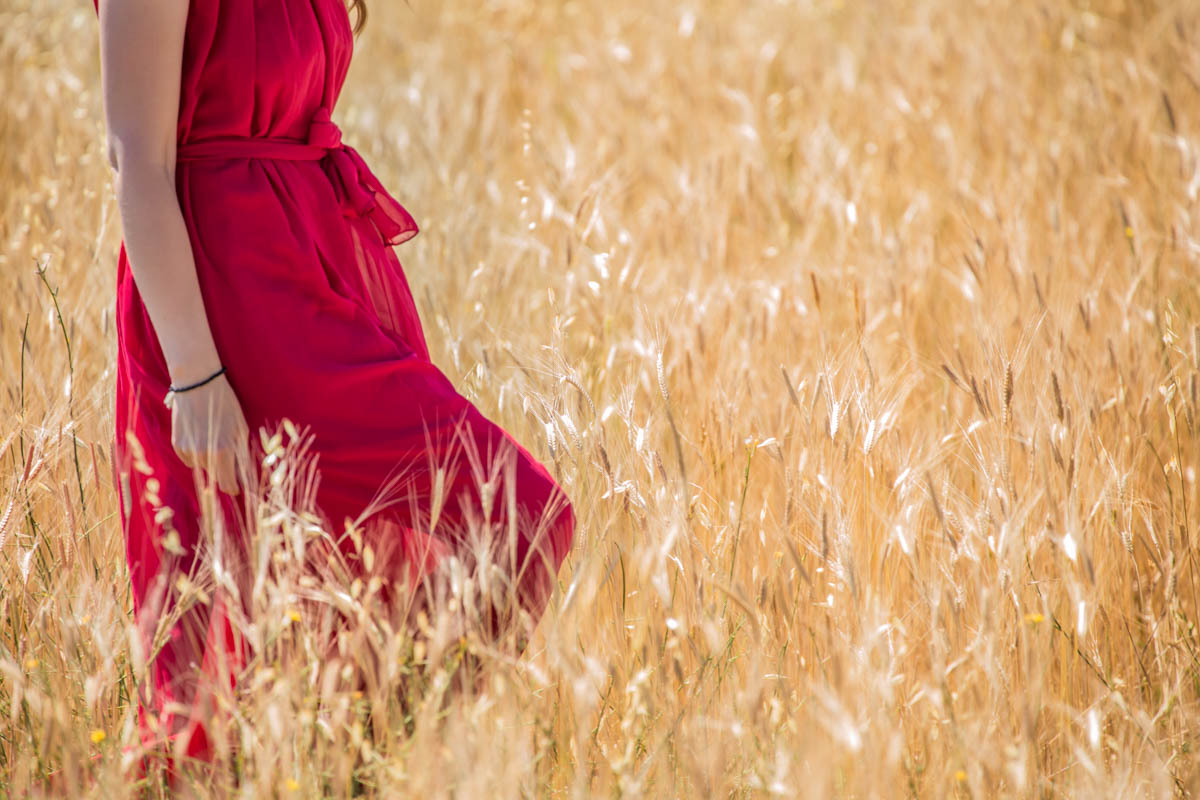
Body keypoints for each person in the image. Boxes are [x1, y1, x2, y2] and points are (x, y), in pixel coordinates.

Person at [93, 0, 576, 771]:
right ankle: (350, 771)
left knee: (343, 597)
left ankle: (352, 770)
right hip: (229, 301)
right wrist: (194, 373)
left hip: (317, 270)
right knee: (234, 624)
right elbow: (138, 165)